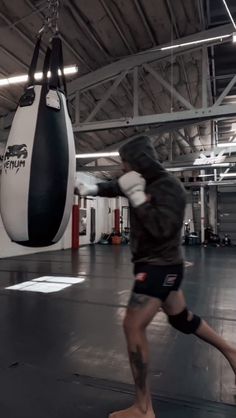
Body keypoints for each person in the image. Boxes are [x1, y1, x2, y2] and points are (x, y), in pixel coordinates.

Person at [75, 136, 236, 418]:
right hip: (158, 267)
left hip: (159, 268)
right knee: (181, 319)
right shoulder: (137, 179)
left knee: (132, 326)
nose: (124, 170)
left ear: (140, 163)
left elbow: (162, 229)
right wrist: (92, 187)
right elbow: (117, 186)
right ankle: (232, 351)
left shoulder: (170, 188)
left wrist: (138, 199)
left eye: (126, 164)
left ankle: (143, 407)